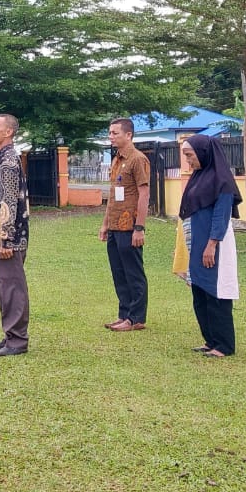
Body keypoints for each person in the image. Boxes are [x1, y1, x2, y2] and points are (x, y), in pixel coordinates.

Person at [174, 134, 242, 357]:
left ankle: (224, 345)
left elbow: (221, 216)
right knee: (200, 292)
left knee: (216, 293)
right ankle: (210, 340)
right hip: (197, 243)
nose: (187, 160)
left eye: (189, 155)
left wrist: (212, 244)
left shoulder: (221, 181)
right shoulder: (198, 177)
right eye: (185, 155)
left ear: (203, 152)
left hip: (214, 245)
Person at [0, 114, 30, 356]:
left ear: (8, 132)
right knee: (3, 286)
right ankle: (10, 335)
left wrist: (7, 238)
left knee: (12, 287)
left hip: (8, 237)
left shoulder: (9, 162)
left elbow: (9, 202)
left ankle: (18, 341)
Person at [99, 117, 150, 331]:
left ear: (128, 135)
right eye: (110, 133)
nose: (111, 137)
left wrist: (139, 227)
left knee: (133, 272)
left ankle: (136, 318)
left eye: (115, 133)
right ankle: (124, 314)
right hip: (114, 226)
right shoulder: (117, 160)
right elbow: (113, 195)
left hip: (129, 226)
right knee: (119, 272)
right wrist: (105, 224)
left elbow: (144, 194)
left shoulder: (138, 159)